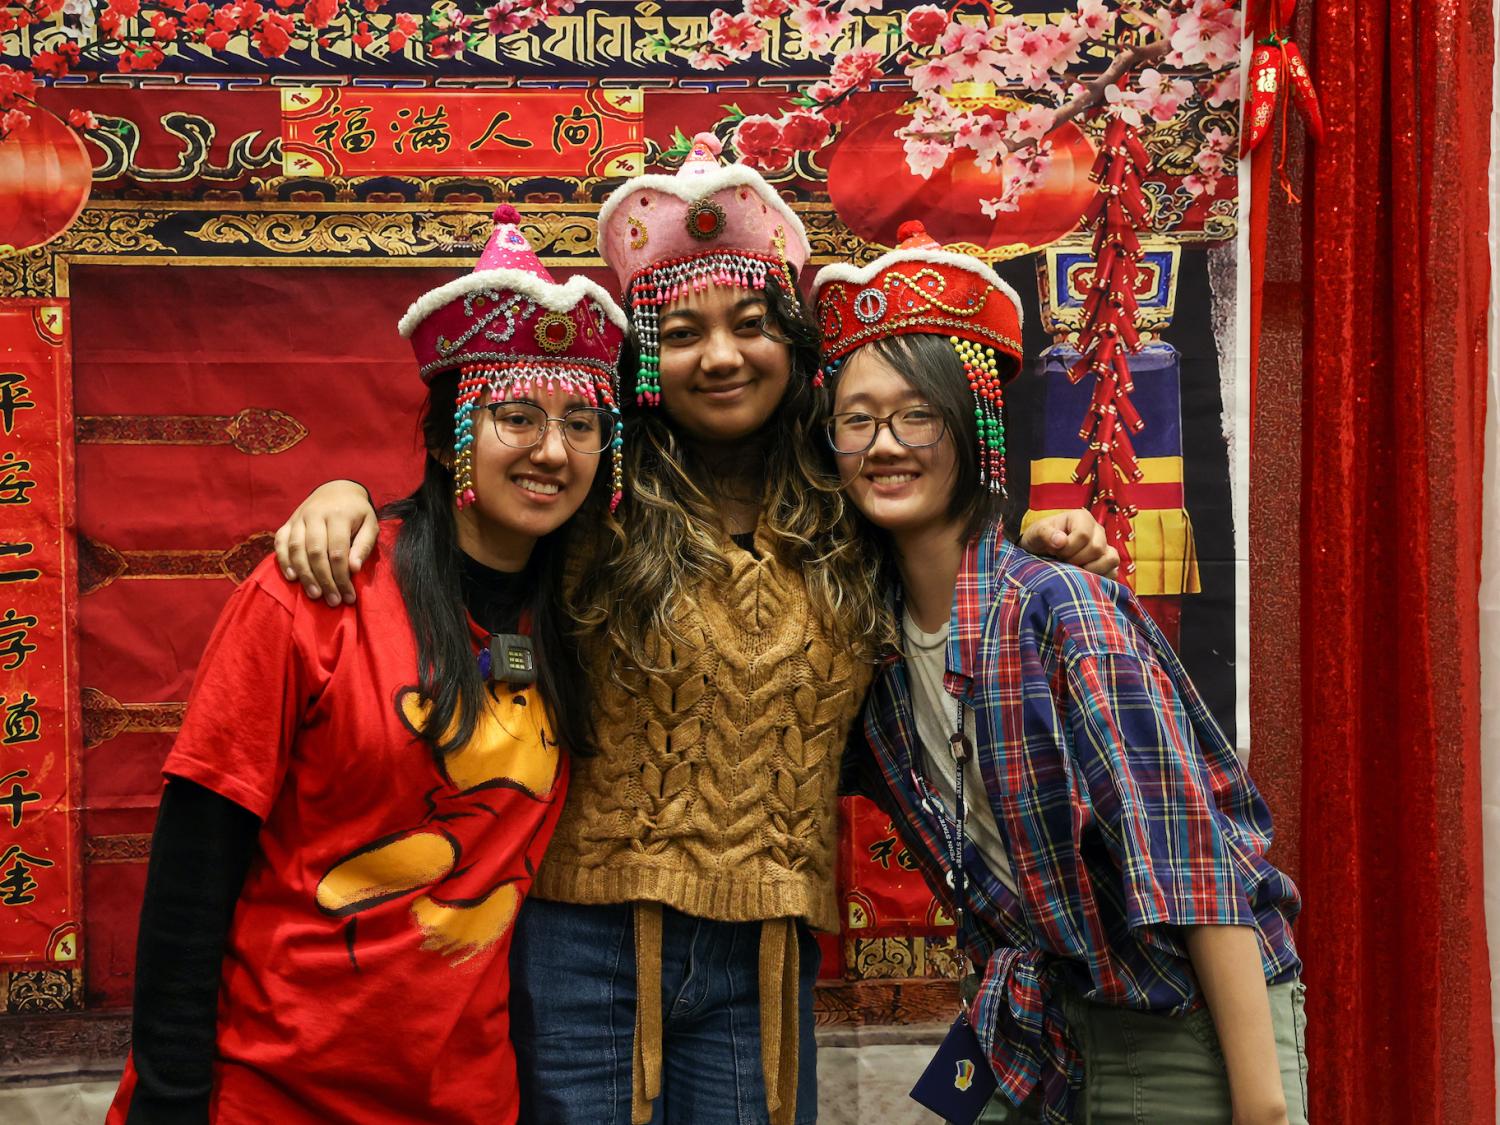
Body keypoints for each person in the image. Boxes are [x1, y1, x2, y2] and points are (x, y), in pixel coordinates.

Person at [271, 136, 1117, 1125]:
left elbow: (940, 534)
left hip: (764, 955)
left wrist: (1037, 533)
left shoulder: (847, 501)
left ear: (791, 341)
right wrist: (344, 496)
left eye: (750, 324)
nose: (721, 355)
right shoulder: (594, 492)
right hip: (580, 944)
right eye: (680, 332)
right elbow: (472, 508)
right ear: (642, 359)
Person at [106, 208, 629, 1125]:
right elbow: (195, 861)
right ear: (441, 438)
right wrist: (171, 1097)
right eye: (516, 416)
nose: (553, 449)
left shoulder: (591, 613)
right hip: (269, 1092)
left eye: (581, 422)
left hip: (469, 1098)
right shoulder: (317, 590)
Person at [811, 222, 1307, 1125]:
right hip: (1038, 1018)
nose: (886, 442)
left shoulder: (1058, 609)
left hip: (1182, 1013)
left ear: (973, 424)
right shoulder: (868, 654)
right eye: (857, 417)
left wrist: (1264, 1105)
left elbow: (1190, 857)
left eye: (917, 412)